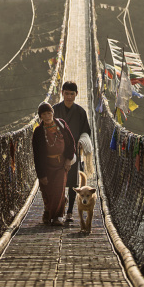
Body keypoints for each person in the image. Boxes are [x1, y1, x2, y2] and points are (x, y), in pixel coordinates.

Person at [53, 80, 92, 225]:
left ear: (76, 94)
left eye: (72, 94)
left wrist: (82, 141)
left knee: (72, 181)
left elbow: (86, 131)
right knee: (58, 181)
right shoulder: (54, 110)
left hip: (74, 151)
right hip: (56, 151)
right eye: (66, 94)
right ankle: (60, 210)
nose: (69, 97)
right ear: (62, 93)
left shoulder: (81, 112)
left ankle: (69, 211)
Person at [32, 102, 76, 225]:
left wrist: (68, 159)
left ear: (53, 113)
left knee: (58, 190)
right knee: (47, 191)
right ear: (40, 116)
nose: (47, 116)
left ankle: (57, 217)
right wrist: (41, 174)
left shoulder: (61, 124)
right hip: (46, 166)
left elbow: (71, 143)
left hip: (61, 164)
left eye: (49, 113)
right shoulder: (38, 131)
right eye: (44, 114)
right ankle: (48, 211)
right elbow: (37, 154)